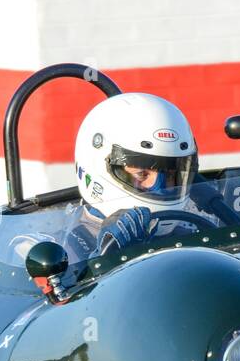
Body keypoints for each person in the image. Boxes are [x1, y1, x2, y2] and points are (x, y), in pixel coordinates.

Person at [71, 92, 223, 256]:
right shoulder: (63, 250)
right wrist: (105, 257)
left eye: (171, 176)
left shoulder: (194, 236)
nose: (159, 188)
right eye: (142, 174)